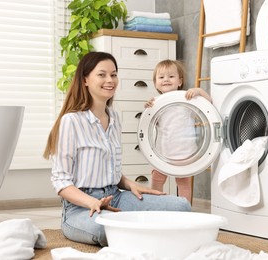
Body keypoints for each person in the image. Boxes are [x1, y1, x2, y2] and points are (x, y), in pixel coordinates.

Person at [43, 52, 191, 246]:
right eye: (102, 75)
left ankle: (136, 229)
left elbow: (109, 169)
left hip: (116, 196)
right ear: (85, 80)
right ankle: (142, 231)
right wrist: (92, 203)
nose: (110, 80)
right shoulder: (71, 121)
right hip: (81, 208)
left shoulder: (114, 117)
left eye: (113, 74)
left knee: (181, 207)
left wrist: (130, 184)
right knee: (105, 230)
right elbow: (61, 182)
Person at [144, 59, 212, 203]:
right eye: (161, 77)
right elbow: (148, 123)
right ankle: (155, 207)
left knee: (183, 182)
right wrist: (148, 107)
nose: (166, 80)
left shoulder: (187, 98)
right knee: (157, 180)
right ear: (156, 83)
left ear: (180, 81)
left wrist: (198, 91)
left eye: (171, 76)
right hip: (162, 151)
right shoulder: (156, 103)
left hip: (185, 152)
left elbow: (209, 105)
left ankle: (184, 210)